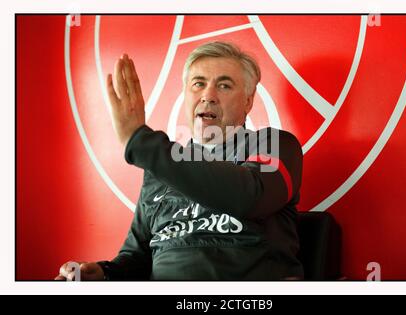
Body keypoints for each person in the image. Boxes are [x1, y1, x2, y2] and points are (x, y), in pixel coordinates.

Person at [55, 41, 304, 281]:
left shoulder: (276, 144)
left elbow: (250, 196)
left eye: (225, 85)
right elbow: (136, 256)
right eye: (198, 84)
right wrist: (102, 273)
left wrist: (141, 142)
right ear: (186, 95)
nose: (208, 95)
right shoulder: (159, 170)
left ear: (248, 101)